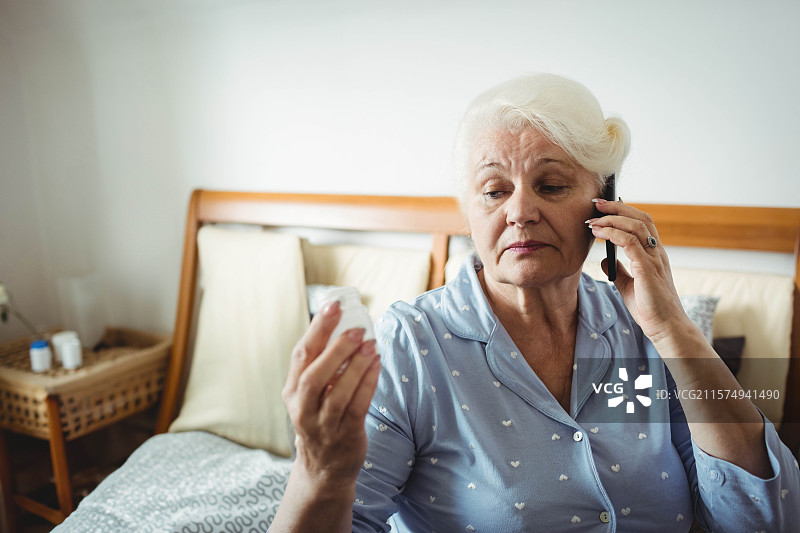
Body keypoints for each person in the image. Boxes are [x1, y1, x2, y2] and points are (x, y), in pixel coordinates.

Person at [270, 73, 800, 532]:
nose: (520, 212)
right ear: (469, 214)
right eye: (495, 191)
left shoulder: (635, 333)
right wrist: (320, 472)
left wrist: (675, 331)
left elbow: (760, 518)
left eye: (550, 185)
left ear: (605, 201)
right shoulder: (414, 346)